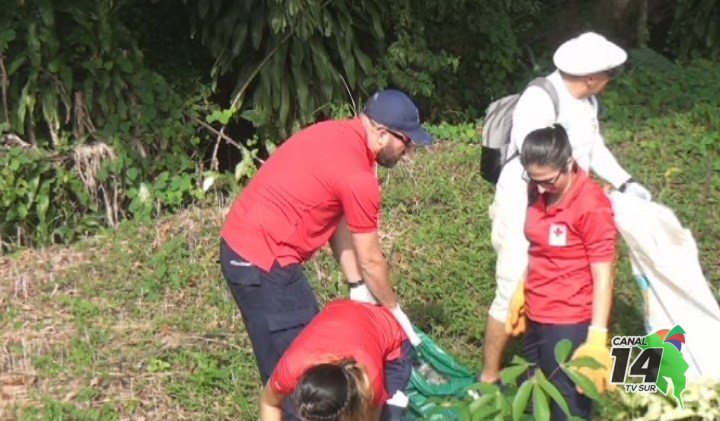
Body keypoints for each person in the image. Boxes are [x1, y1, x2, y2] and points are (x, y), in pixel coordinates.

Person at [219, 89, 428, 384]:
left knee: (297, 361)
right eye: (405, 141)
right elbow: (371, 259)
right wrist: (393, 310)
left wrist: (357, 285)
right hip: (263, 261)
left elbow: (337, 219)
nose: (407, 152)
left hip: (242, 248)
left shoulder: (336, 134)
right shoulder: (358, 176)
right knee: (304, 374)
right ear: (382, 133)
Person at [479, 32, 651, 384]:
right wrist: (578, 191)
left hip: (569, 204)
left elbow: (595, 147)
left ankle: (543, 366)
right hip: (527, 204)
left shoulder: (587, 103)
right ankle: (489, 376)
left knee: (564, 284)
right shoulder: (541, 98)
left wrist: (624, 182)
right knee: (512, 287)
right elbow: (537, 164)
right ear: (592, 77)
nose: (608, 83)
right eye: (608, 76)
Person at [508, 124, 616, 420]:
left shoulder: (591, 205)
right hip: (535, 314)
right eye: (534, 179)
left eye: (548, 181)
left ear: (569, 163)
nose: (541, 188)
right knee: (533, 398)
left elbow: (603, 276)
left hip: (569, 323)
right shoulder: (538, 189)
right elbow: (538, 247)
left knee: (567, 408)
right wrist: (523, 287)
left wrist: (597, 336)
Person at [259, 299, 412, 421]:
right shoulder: (291, 369)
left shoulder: (370, 385)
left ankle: (396, 407)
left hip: (390, 340)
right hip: (343, 316)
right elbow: (269, 404)